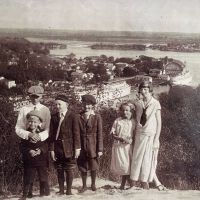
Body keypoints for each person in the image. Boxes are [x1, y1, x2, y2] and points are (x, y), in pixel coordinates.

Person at [130, 81, 167, 190]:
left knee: (147, 160)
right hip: (139, 134)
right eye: (142, 89)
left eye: (146, 89)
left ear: (150, 90)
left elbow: (159, 123)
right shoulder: (138, 103)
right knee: (136, 158)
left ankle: (144, 183)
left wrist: (156, 139)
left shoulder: (155, 103)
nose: (143, 91)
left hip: (151, 135)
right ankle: (132, 184)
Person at [15, 85, 51, 197]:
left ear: (41, 96)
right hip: (28, 142)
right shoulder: (24, 109)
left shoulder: (45, 110)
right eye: (32, 97)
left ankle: (43, 192)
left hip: (41, 142)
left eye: (37, 97)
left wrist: (39, 136)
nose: (35, 99)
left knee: (42, 171)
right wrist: (29, 134)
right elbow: (18, 128)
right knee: (28, 170)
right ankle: (28, 193)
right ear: (29, 96)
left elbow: (49, 129)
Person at [49, 94, 81, 195]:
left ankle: (69, 190)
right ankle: (61, 190)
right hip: (57, 148)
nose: (57, 106)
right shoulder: (53, 117)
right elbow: (52, 135)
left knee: (69, 169)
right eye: (56, 104)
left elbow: (76, 133)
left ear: (66, 104)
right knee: (59, 169)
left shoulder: (73, 116)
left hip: (69, 147)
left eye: (60, 104)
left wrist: (77, 148)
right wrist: (52, 150)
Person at [19, 110, 49, 200]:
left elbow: (46, 145)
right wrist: (29, 151)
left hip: (41, 159)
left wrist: (41, 150)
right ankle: (27, 194)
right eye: (30, 121)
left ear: (39, 122)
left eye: (35, 122)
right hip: (29, 159)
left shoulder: (43, 133)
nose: (32, 124)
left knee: (43, 176)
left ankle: (44, 193)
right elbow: (21, 146)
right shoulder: (25, 133)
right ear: (28, 122)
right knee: (28, 176)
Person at [77, 94, 103, 193]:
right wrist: (77, 147)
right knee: (82, 165)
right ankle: (84, 185)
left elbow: (100, 133)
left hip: (93, 145)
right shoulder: (78, 116)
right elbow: (76, 132)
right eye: (84, 104)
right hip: (82, 144)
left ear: (92, 105)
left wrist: (100, 149)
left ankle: (93, 184)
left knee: (93, 165)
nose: (86, 106)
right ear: (82, 104)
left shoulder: (97, 117)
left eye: (89, 104)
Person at [110, 102, 136, 190]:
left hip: (129, 147)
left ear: (131, 111)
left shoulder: (133, 122)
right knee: (124, 166)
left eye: (127, 110)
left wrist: (131, 140)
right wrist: (120, 138)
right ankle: (125, 185)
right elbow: (112, 134)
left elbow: (136, 134)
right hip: (119, 146)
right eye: (123, 110)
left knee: (128, 166)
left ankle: (128, 185)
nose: (125, 112)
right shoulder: (117, 121)